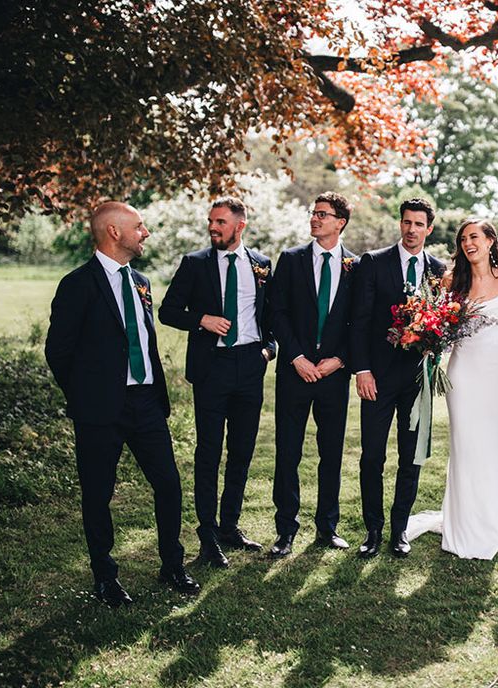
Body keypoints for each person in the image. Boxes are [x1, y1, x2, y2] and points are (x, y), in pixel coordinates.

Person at [45, 201, 198, 607]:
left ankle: (172, 565)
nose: (145, 233)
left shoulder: (141, 281)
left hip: (145, 402)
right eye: (139, 226)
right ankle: (105, 577)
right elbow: (58, 352)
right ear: (114, 232)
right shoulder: (77, 284)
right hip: (99, 409)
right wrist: (85, 397)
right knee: (98, 494)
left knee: (168, 484)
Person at [158, 196, 275, 568]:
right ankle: (207, 535)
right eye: (211, 221)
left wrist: (268, 351)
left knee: (241, 451)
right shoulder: (195, 264)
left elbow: (272, 316)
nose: (213, 228)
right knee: (208, 453)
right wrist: (202, 320)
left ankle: (229, 526)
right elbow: (167, 311)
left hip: (249, 366)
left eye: (220, 222)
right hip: (212, 368)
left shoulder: (261, 265)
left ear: (240, 226)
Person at [407, 219, 498, 558]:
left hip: (495, 371)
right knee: (464, 447)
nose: (468, 242)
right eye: (463, 238)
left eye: (474, 236)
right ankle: (459, 526)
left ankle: (485, 528)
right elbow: (437, 324)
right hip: (463, 372)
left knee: (486, 452)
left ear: (490, 241)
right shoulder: (450, 280)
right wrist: (430, 349)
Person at [350, 197, 446, 558]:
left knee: (412, 457)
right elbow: (359, 320)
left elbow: (443, 323)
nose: (411, 230)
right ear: (400, 224)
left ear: (429, 229)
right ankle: (372, 530)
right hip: (376, 378)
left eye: (419, 224)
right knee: (372, 456)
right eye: (406, 222)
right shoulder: (374, 262)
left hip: (417, 381)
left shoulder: (437, 270)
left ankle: (400, 529)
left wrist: (434, 352)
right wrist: (362, 370)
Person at [268, 192, 358, 557]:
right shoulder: (291, 260)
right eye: (314, 213)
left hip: (334, 376)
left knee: (331, 453)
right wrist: (296, 357)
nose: (315, 219)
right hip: (295, 372)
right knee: (287, 452)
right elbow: (276, 313)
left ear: (341, 222)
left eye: (324, 214)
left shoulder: (357, 265)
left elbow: (360, 322)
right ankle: (285, 530)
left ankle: (327, 527)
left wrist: (341, 360)